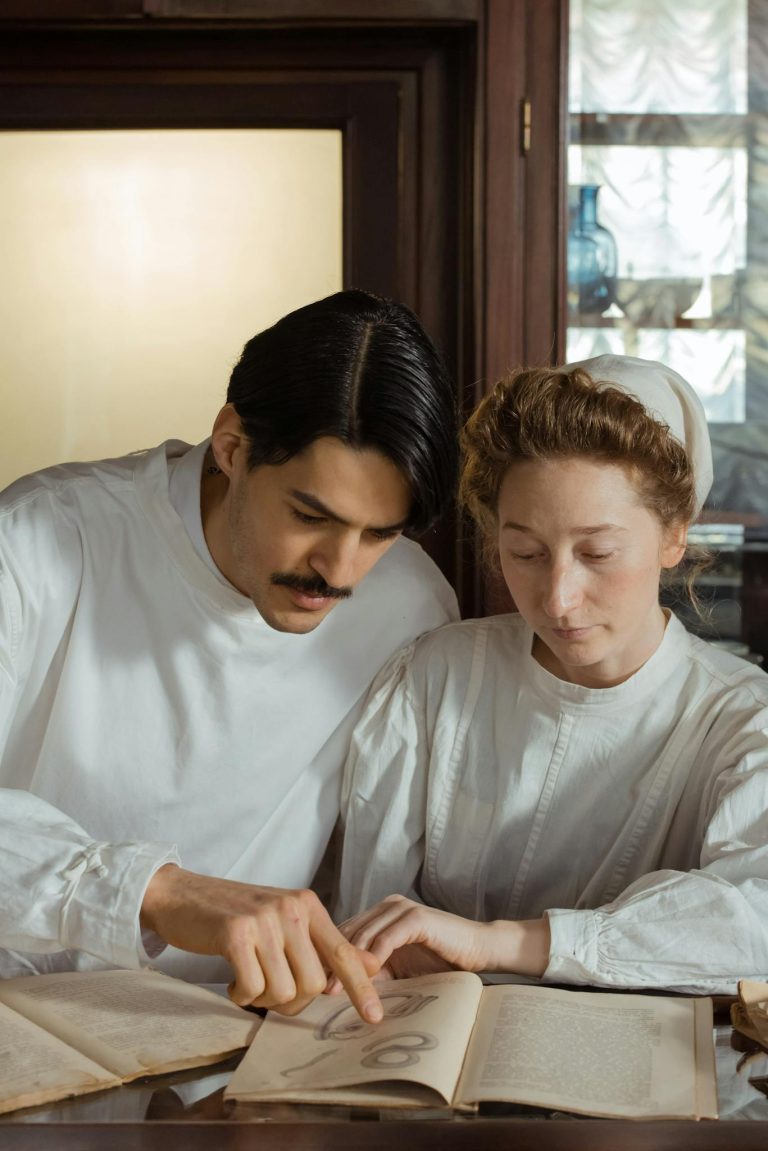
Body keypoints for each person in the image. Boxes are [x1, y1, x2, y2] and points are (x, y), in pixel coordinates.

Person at [0, 289, 460, 1022]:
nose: (340, 571)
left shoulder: (410, 605)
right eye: (311, 515)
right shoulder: (37, 542)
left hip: (237, 1055)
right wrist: (159, 891)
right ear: (231, 444)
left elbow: (369, 870)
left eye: (379, 533)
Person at [334, 353, 768, 996]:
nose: (558, 598)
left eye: (597, 553)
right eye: (526, 553)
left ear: (674, 535)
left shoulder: (741, 718)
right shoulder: (437, 676)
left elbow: (752, 921)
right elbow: (370, 914)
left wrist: (498, 943)